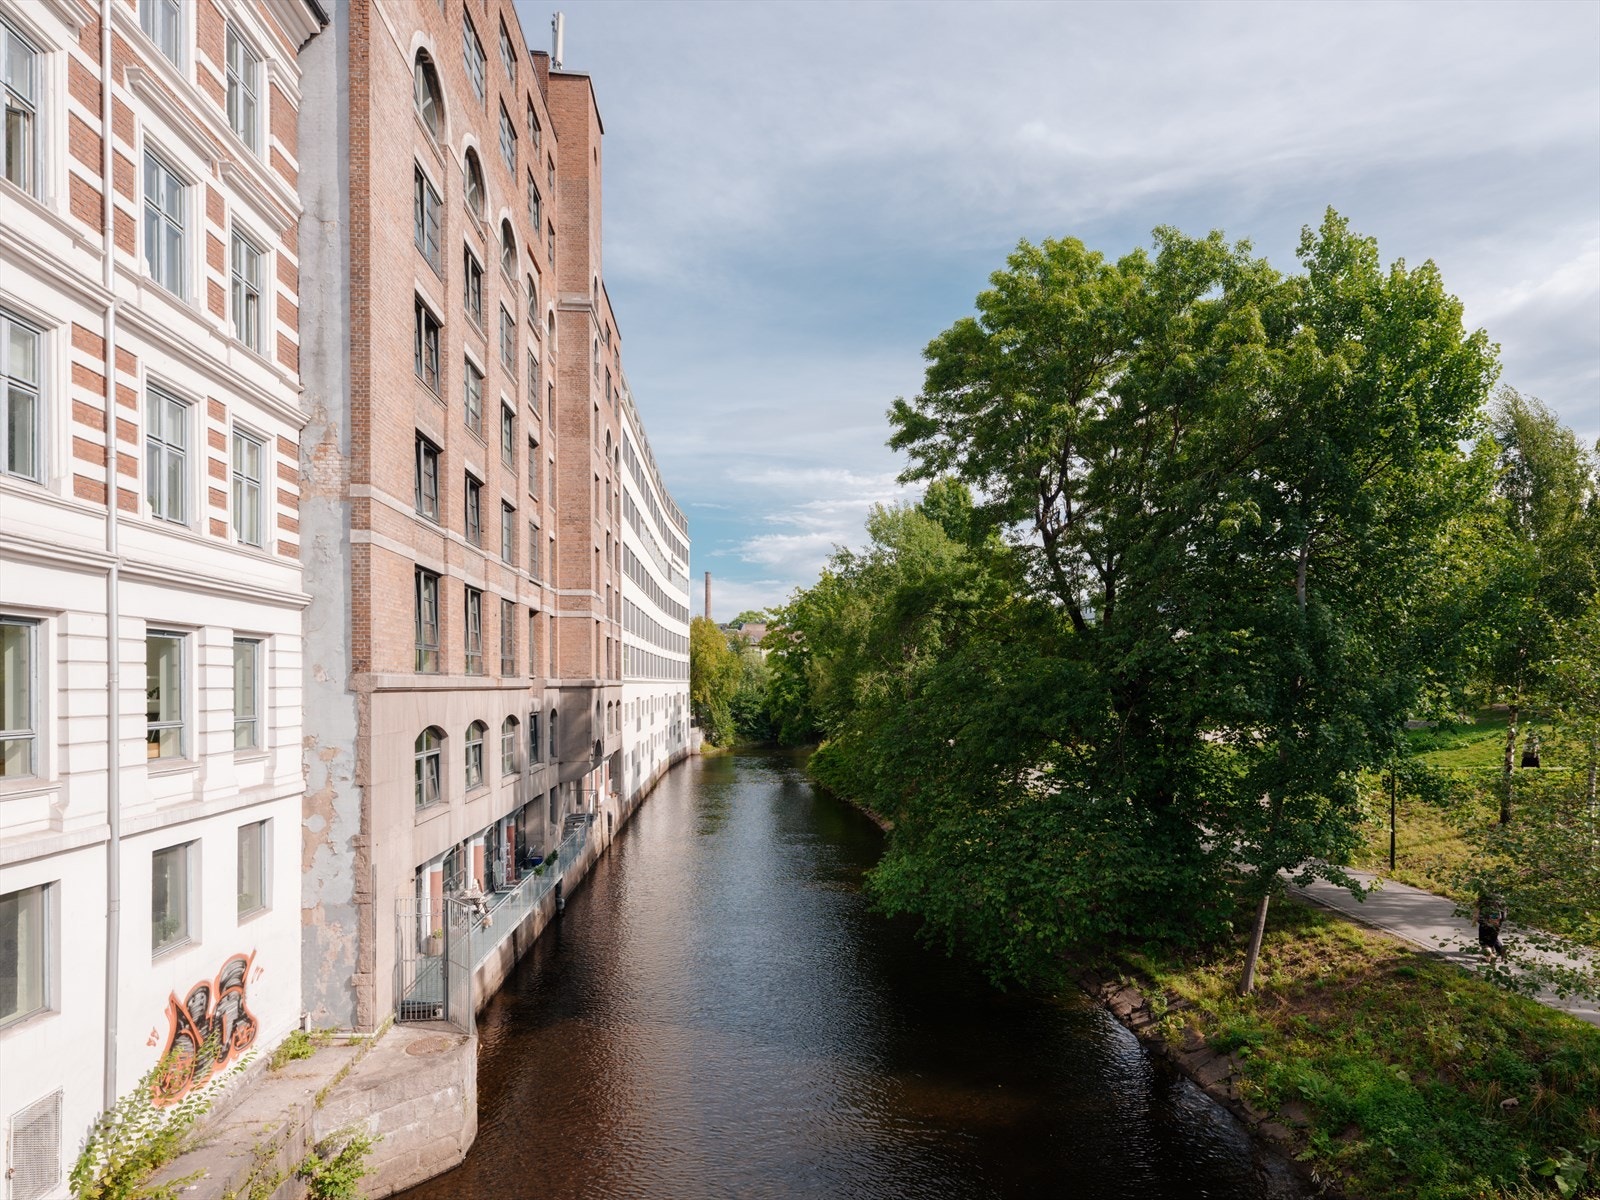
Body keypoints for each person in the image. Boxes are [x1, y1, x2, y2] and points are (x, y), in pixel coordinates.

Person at [1476, 893, 1508, 959]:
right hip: (1497, 923)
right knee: (1493, 938)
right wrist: (1501, 921)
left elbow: (1478, 908)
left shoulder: (1484, 897)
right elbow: (1504, 913)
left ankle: (1489, 957)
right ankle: (1501, 949)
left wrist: (1476, 918)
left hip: (1485, 922)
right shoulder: (1501, 898)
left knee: (1484, 942)